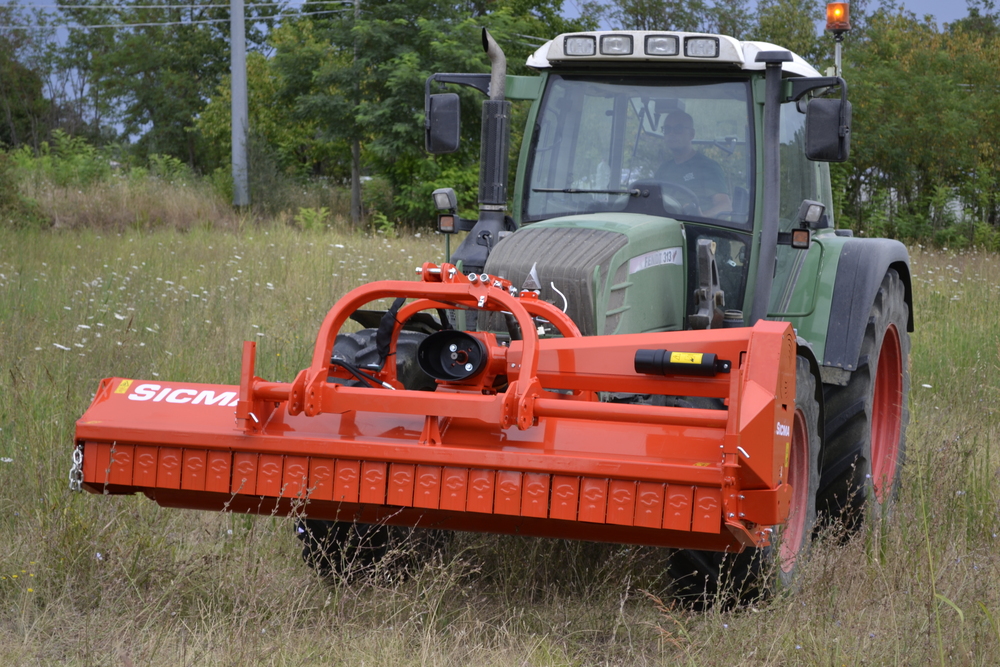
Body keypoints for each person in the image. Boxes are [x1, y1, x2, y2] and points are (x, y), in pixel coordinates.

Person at [654, 111, 731, 217]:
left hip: (697, 231)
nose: (671, 133)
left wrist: (701, 217)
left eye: (678, 129)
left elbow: (725, 205)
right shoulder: (663, 169)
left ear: (691, 134)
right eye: (667, 129)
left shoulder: (707, 167)